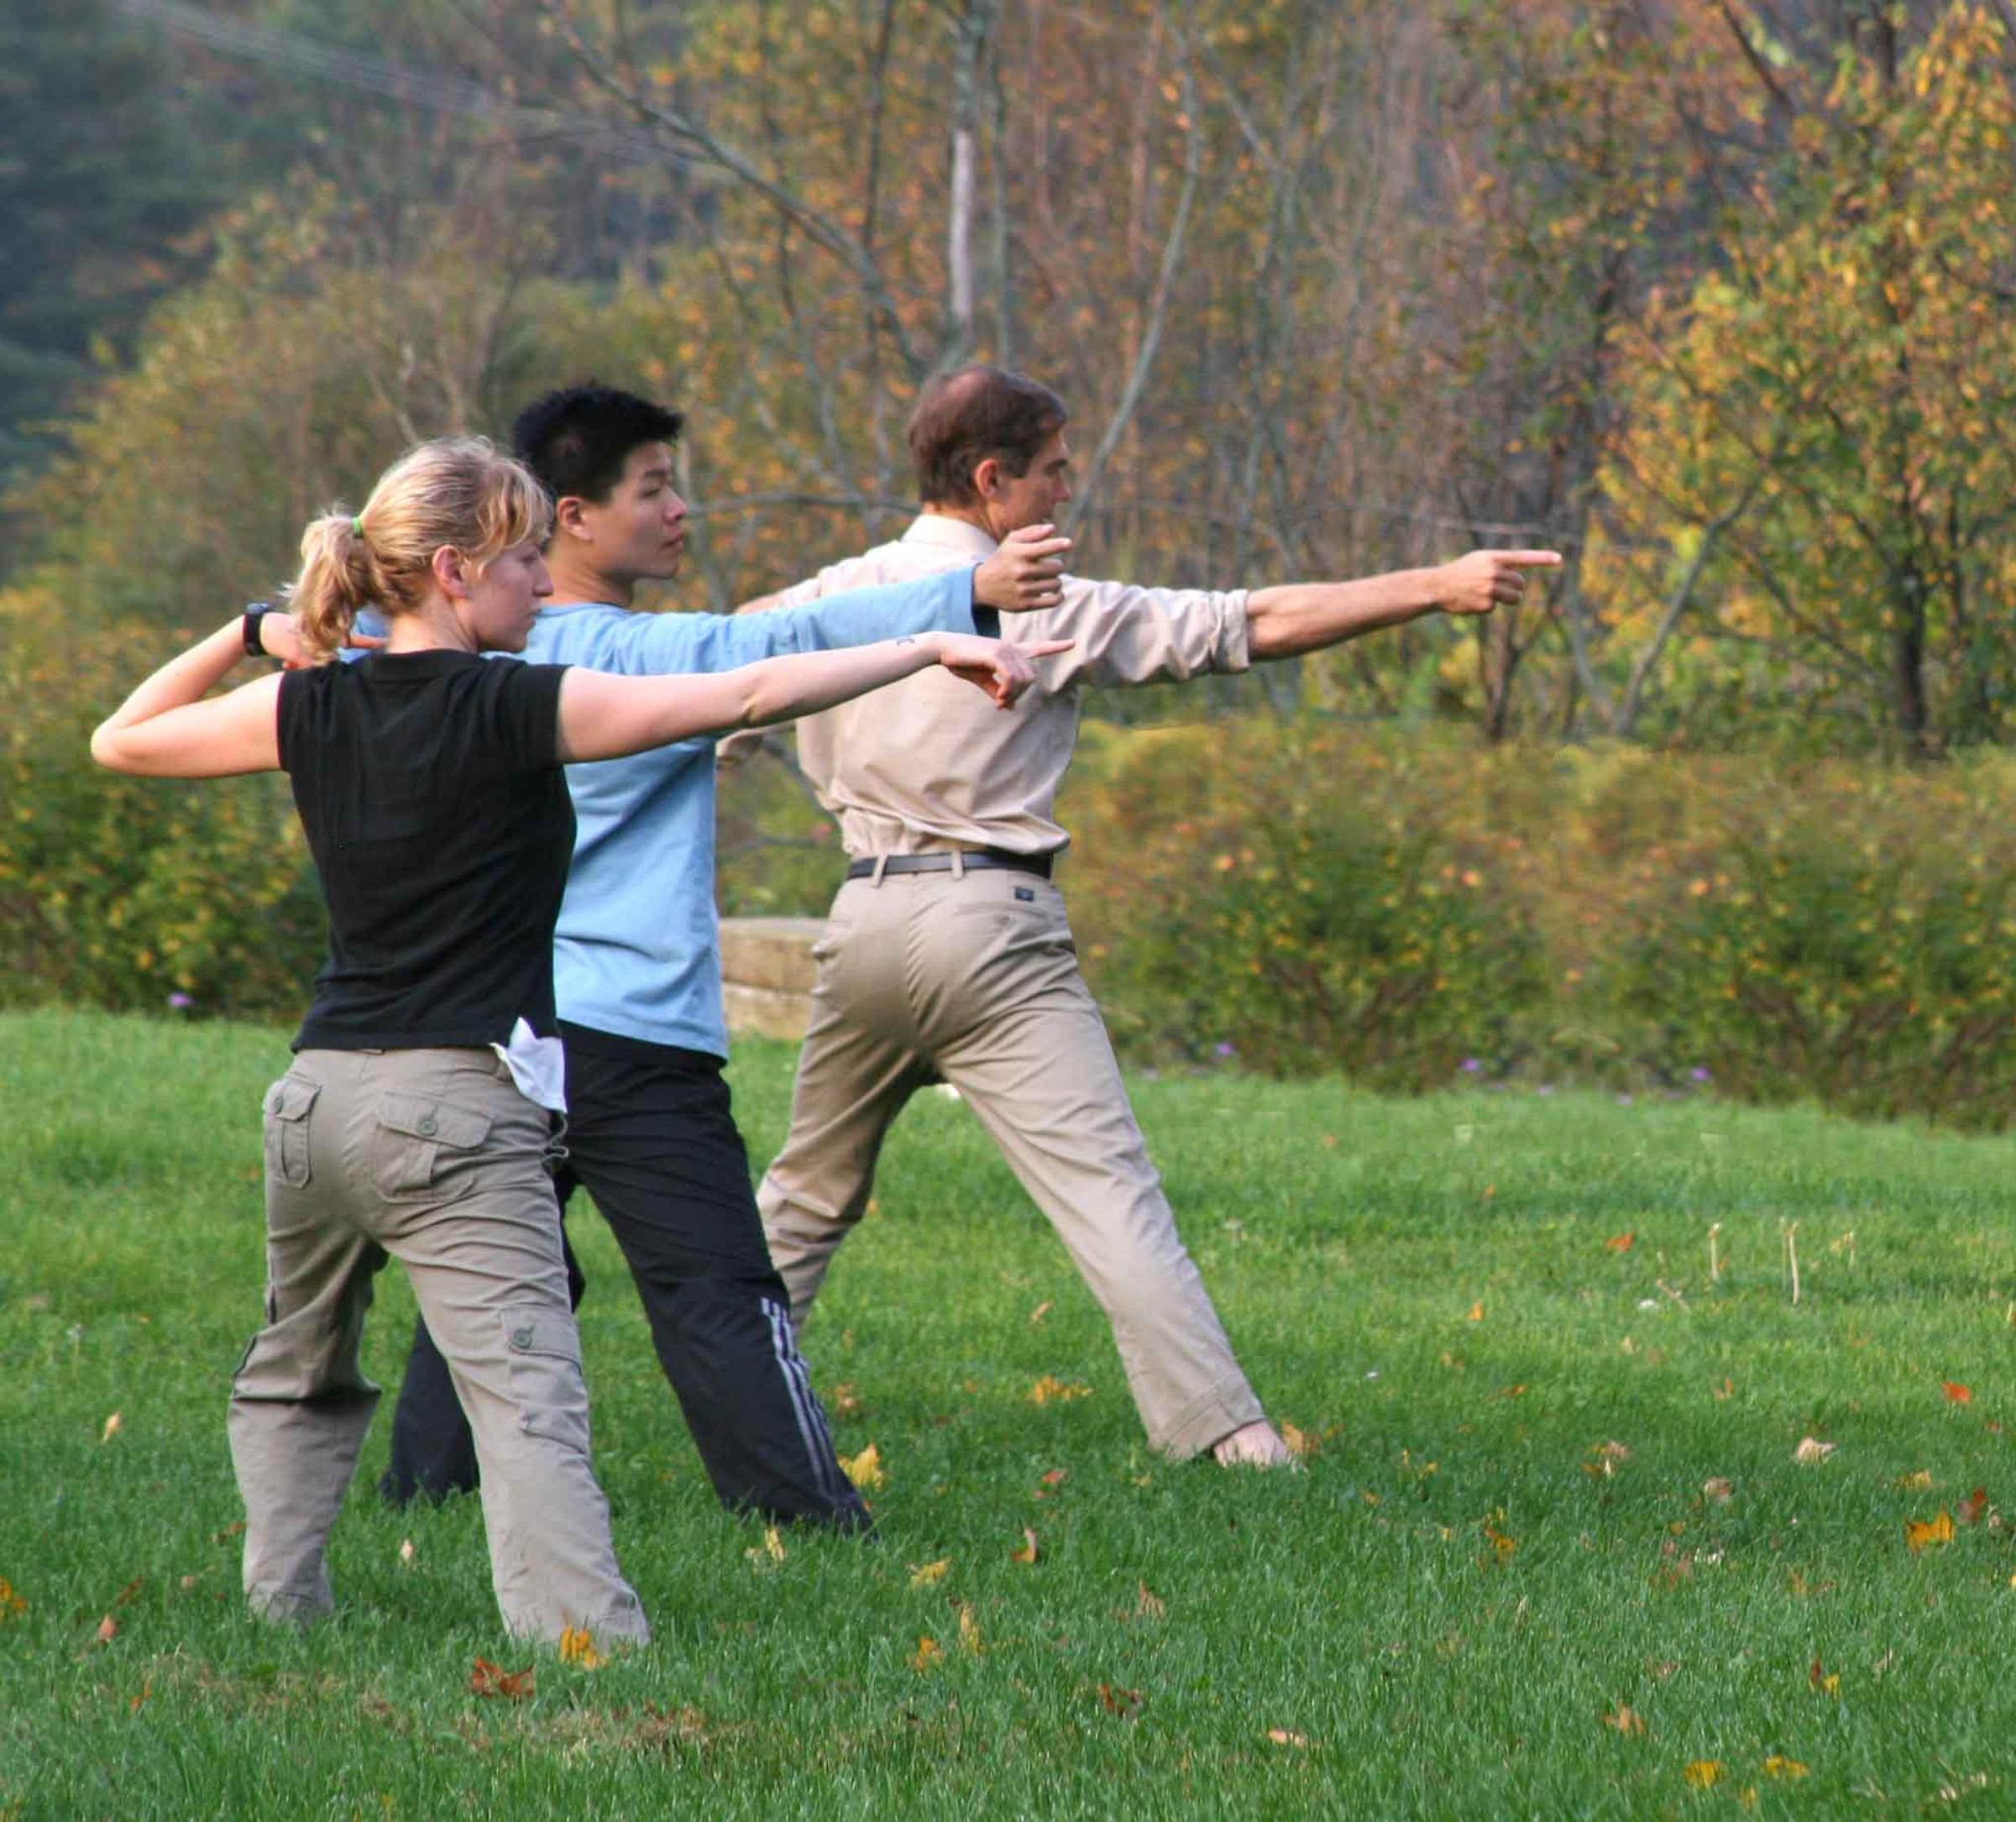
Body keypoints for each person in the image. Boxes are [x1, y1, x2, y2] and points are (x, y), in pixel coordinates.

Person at [90, 437, 1053, 1642]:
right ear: (452, 570)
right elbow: (748, 691)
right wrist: (928, 644)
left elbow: (120, 739)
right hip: (452, 1109)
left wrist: (249, 631)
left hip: (313, 1103)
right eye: (524, 560)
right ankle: (588, 1650)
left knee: (297, 1368)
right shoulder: (514, 707)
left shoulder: (312, 699)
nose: (544, 584)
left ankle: (281, 1611)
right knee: (529, 1396)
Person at [746, 364, 1559, 1467]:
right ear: (991, 481)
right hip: (994, 929)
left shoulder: (816, 604)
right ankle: (1234, 1442)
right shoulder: (1042, 606)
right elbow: (1252, 623)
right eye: (1052, 473)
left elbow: (681, 696)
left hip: (861, 927)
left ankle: (732, 1399)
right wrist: (1434, 583)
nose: (1066, 493)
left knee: (803, 1194)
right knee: (1108, 1194)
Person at [355, 384, 1071, 1531]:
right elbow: (765, 647)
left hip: (506, 1027)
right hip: (631, 1033)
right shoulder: (624, 656)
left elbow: (332, 629)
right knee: (720, 1287)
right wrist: (960, 597)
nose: (681, 510)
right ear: (570, 517)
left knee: (497, 1275)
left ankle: (424, 1501)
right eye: (655, 488)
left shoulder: (425, 659)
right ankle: (804, 1517)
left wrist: (268, 623)